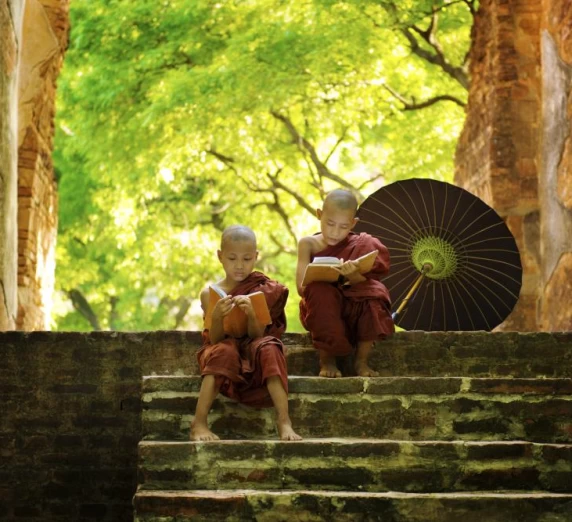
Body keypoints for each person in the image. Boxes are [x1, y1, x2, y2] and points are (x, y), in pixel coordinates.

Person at [191, 225, 301, 442]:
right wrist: (217, 317)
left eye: (247, 259)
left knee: (270, 347)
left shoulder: (260, 290)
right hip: (223, 346)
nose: (239, 266)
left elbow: (257, 334)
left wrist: (252, 314)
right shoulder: (209, 294)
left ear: (256, 257)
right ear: (220, 257)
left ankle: (284, 420)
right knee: (224, 351)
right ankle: (199, 422)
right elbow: (214, 339)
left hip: (252, 345)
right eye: (232, 259)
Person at [296, 189, 394, 378]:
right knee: (319, 291)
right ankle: (327, 360)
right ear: (319, 215)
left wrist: (354, 275)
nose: (334, 232)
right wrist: (324, 275)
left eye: (343, 227)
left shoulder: (362, 244)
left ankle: (361, 361)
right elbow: (302, 288)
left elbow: (367, 283)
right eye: (330, 223)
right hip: (322, 307)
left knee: (375, 293)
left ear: (353, 223)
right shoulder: (307, 244)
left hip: (353, 307)